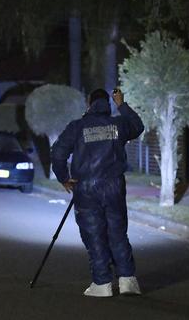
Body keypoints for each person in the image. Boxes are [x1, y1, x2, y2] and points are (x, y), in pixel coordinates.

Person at [50, 88, 144, 297]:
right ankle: (128, 280)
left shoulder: (77, 127)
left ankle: (102, 283)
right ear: (108, 105)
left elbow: (57, 153)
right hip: (114, 185)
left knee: (94, 235)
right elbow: (137, 126)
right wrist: (122, 105)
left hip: (86, 188)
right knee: (118, 232)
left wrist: (64, 177)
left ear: (89, 104)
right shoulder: (118, 124)